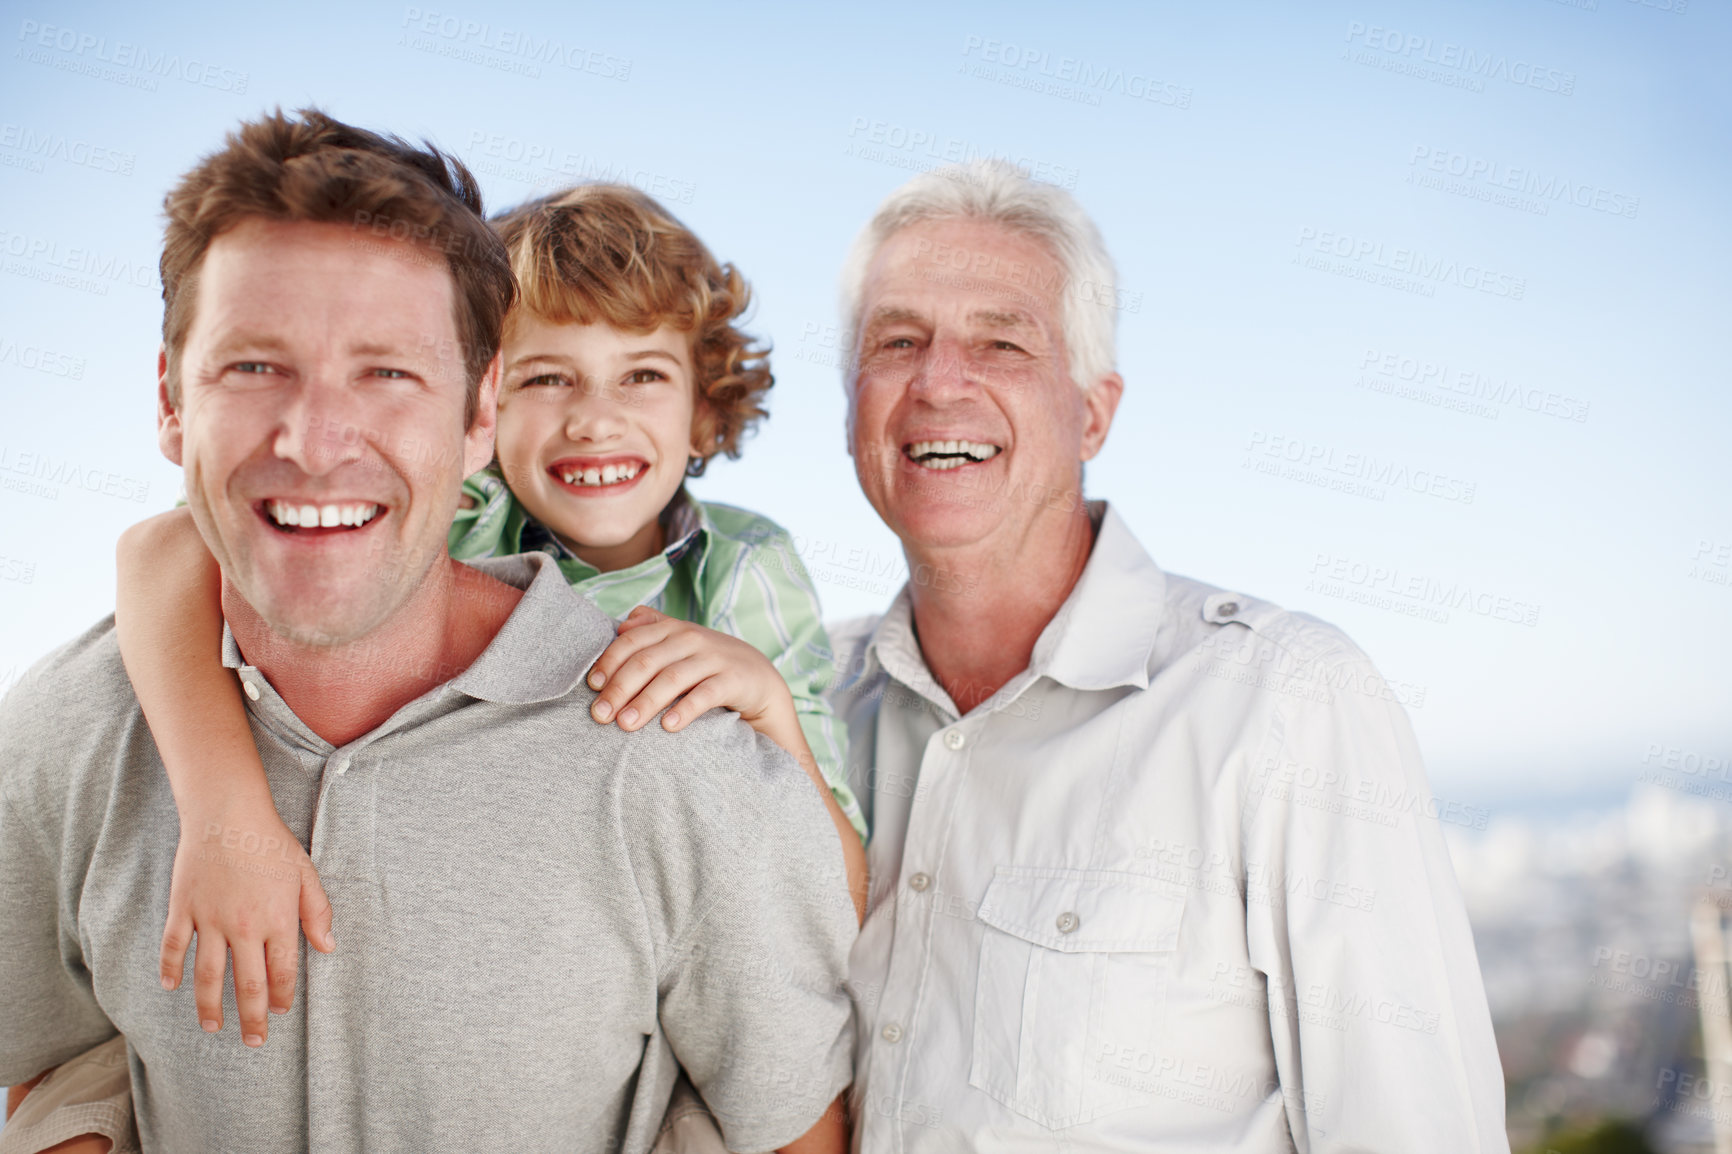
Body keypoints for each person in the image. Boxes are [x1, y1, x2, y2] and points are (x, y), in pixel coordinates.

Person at [0, 109, 856, 1154]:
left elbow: (793, 1122)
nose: (315, 442)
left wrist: (765, 709)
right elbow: (46, 1056)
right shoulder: (61, 732)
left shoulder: (690, 748)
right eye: (254, 366)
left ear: (473, 413)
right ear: (171, 400)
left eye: (388, 371)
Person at [825, 160, 1510, 1151]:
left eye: (1000, 340)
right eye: (897, 342)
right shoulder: (796, 704)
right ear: (851, 404)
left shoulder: (1284, 704)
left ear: (1093, 410)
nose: (938, 382)